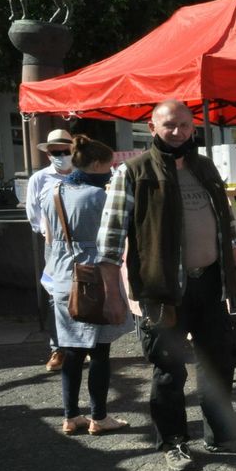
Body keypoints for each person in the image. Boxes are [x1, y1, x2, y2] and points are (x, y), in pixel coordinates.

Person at [97, 99, 236, 471]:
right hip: (162, 290)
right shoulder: (133, 172)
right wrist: (114, 295)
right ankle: (173, 442)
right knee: (169, 371)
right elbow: (109, 241)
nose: (178, 132)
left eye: (185, 125)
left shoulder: (205, 169)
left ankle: (221, 436)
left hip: (210, 285)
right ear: (152, 128)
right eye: (170, 125)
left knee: (218, 363)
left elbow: (227, 226)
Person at [42, 135, 134, 435]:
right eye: (109, 166)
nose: (111, 171)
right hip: (93, 277)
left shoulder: (50, 190)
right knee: (100, 352)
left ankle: (70, 416)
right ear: (96, 164)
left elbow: (47, 233)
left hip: (61, 277)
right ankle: (99, 416)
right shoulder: (98, 197)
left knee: (71, 352)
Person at [26, 128, 75, 372]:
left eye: (65, 150)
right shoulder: (39, 179)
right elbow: (33, 213)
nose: (61, 155)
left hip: (83, 244)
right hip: (54, 246)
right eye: (56, 151)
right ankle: (58, 347)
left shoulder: (83, 174)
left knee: (86, 292)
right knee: (56, 296)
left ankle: (81, 345)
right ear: (48, 154)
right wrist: (48, 233)